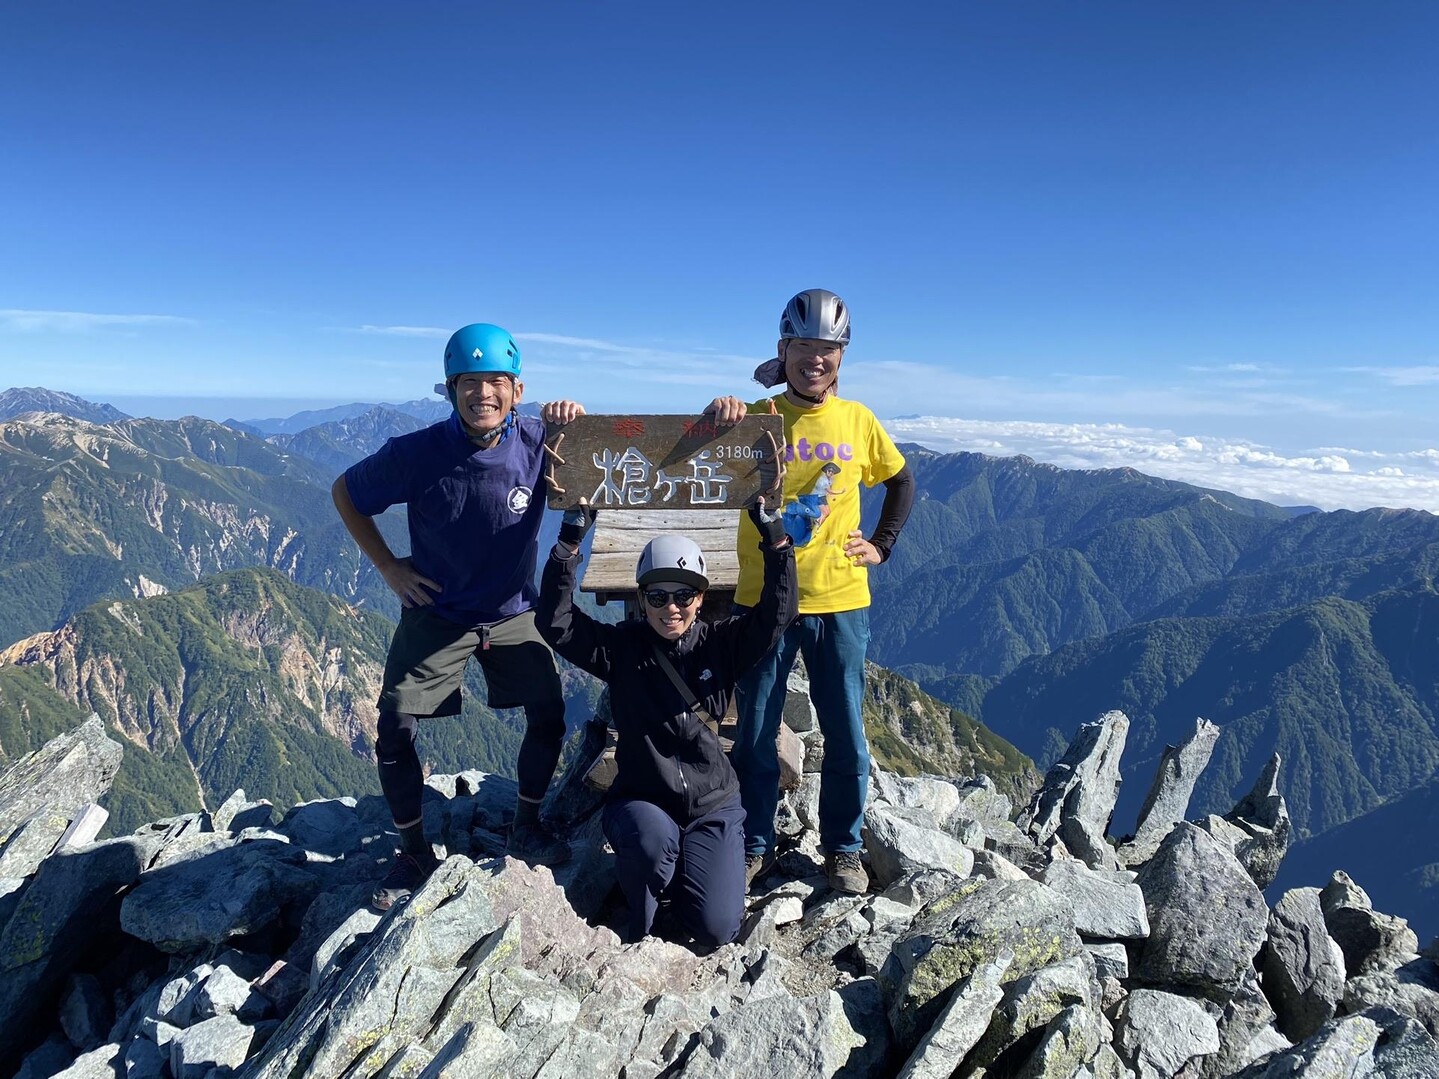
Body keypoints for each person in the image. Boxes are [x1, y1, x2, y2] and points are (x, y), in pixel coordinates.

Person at [331, 322, 586, 911]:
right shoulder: (416, 452)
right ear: (450, 390)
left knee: (548, 713)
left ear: (517, 390)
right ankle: (414, 849)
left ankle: (527, 823)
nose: (483, 394)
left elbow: (605, 458)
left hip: (513, 608)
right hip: (439, 609)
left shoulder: (541, 439)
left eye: (495, 382)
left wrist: (577, 418)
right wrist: (390, 567)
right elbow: (345, 493)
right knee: (394, 727)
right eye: (469, 383)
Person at [706, 288, 915, 895]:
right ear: (782, 350)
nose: (814, 359)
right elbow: (691, 457)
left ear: (842, 358)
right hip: (763, 599)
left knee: (846, 730)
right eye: (804, 347)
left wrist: (883, 544)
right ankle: (751, 844)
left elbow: (901, 481)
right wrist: (718, 414)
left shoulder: (858, 421)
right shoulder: (754, 417)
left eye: (827, 349)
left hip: (841, 597)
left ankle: (843, 850)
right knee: (754, 731)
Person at [536, 500, 797, 945]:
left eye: (683, 595)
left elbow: (779, 612)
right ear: (642, 598)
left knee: (717, 929)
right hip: (642, 800)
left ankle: (681, 878)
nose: (670, 608)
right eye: (657, 596)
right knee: (651, 844)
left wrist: (774, 535)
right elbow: (556, 621)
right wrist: (569, 540)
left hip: (713, 806)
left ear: (701, 598)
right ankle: (641, 922)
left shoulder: (721, 645)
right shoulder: (621, 649)